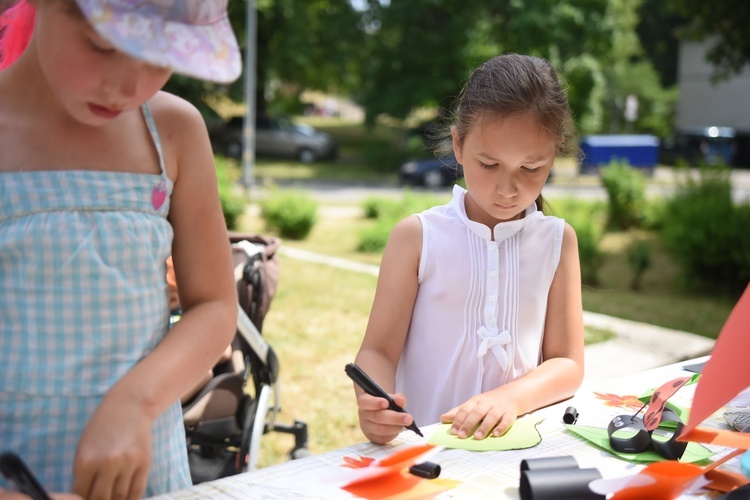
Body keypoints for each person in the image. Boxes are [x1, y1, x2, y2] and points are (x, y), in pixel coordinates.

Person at [0, 0, 242, 498]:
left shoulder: (173, 131)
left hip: (145, 469)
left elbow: (216, 306)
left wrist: (134, 403)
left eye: (161, 56)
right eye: (103, 46)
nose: (130, 85)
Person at [353, 53, 585, 445]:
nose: (508, 189)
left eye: (531, 169)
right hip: (423, 449)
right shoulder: (417, 237)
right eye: (489, 164)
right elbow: (377, 350)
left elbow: (568, 363)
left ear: (554, 155)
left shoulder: (558, 242)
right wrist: (375, 402)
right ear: (458, 145)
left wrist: (508, 399)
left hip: (515, 450)